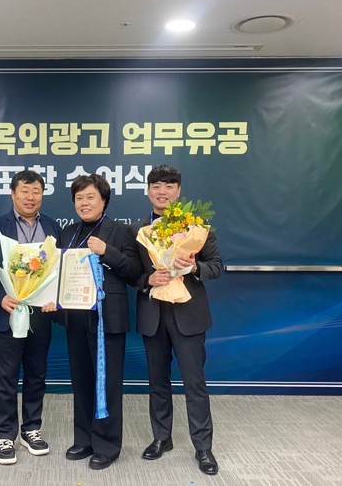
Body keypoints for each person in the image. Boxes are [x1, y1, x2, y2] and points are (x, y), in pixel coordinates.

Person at [131, 164, 222, 475]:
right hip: (153, 315)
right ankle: (161, 438)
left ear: (179, 191)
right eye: (156, 185)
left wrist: (194, 267)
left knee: (194, 383)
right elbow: (131, 272)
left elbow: (216, 266)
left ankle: (203, 447)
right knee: (157, 382)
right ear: (148, 190)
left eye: (169, 186)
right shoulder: (138, 230)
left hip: (188, 316)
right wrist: (147, 279)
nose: (162, 191)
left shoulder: (197, 226)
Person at [52, 174, 141, 470]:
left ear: (104, 200)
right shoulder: (68, 233)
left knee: (108, 382)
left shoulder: (120, 231)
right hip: (76, 317)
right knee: (81, 381)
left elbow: (133, 270)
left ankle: (107, 445)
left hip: (108, 319)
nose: (84, 203)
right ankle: (84, 439)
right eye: (79, 198)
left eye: (90, 197)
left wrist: (107, 252)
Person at [0, 169, 62, 465]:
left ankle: (31, 429)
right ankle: (5, 434)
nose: (30, 196)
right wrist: (0, 297)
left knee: (37, 375)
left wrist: (54, 299)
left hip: (40, 316)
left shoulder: (51, 226)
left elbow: (57, 269)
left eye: (36, 191)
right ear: (13, 194)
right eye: (25, 190)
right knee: (5, 377)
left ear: (42, 195)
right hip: (7, 313)